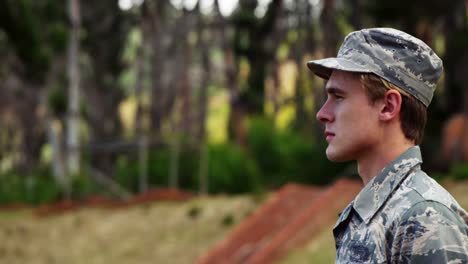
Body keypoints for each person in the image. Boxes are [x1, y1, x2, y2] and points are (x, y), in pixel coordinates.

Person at [307, 28, 468, 263]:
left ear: (388, 106)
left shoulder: (424, 218)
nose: (322, 114)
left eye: (338, 97)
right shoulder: (377, 212)